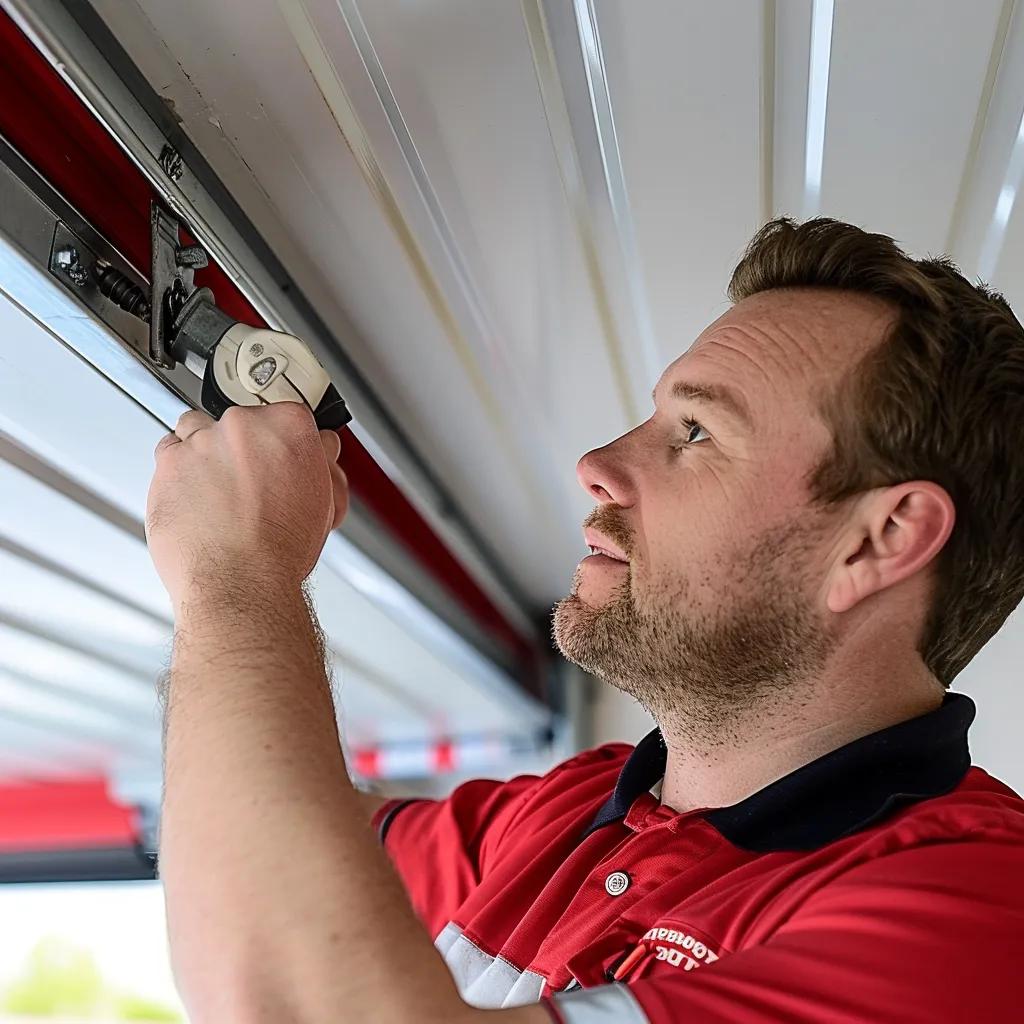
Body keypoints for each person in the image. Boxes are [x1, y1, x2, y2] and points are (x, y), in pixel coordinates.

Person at [146, 217, 1024, 1024]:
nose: (597, 464)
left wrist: (237, 574)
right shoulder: (570, 813)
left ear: (883, 539)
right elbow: (257, 854)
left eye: (695, 433)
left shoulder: (973, 917)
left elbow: (282, 992)